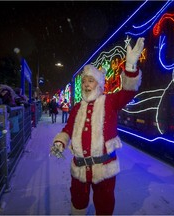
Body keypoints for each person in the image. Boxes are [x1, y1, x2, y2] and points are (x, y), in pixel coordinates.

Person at [50, 37, 145, 215]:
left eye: (90, 81)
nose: (86, 84)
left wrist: (131, 67)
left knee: (104, 203)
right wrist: (60, 142)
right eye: (84, 81)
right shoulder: (77, 107)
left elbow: (128, 92)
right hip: (79, 168)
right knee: (78, 201)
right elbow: (68, 129)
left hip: (104, 167)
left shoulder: (110, 101)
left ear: (99, 84)